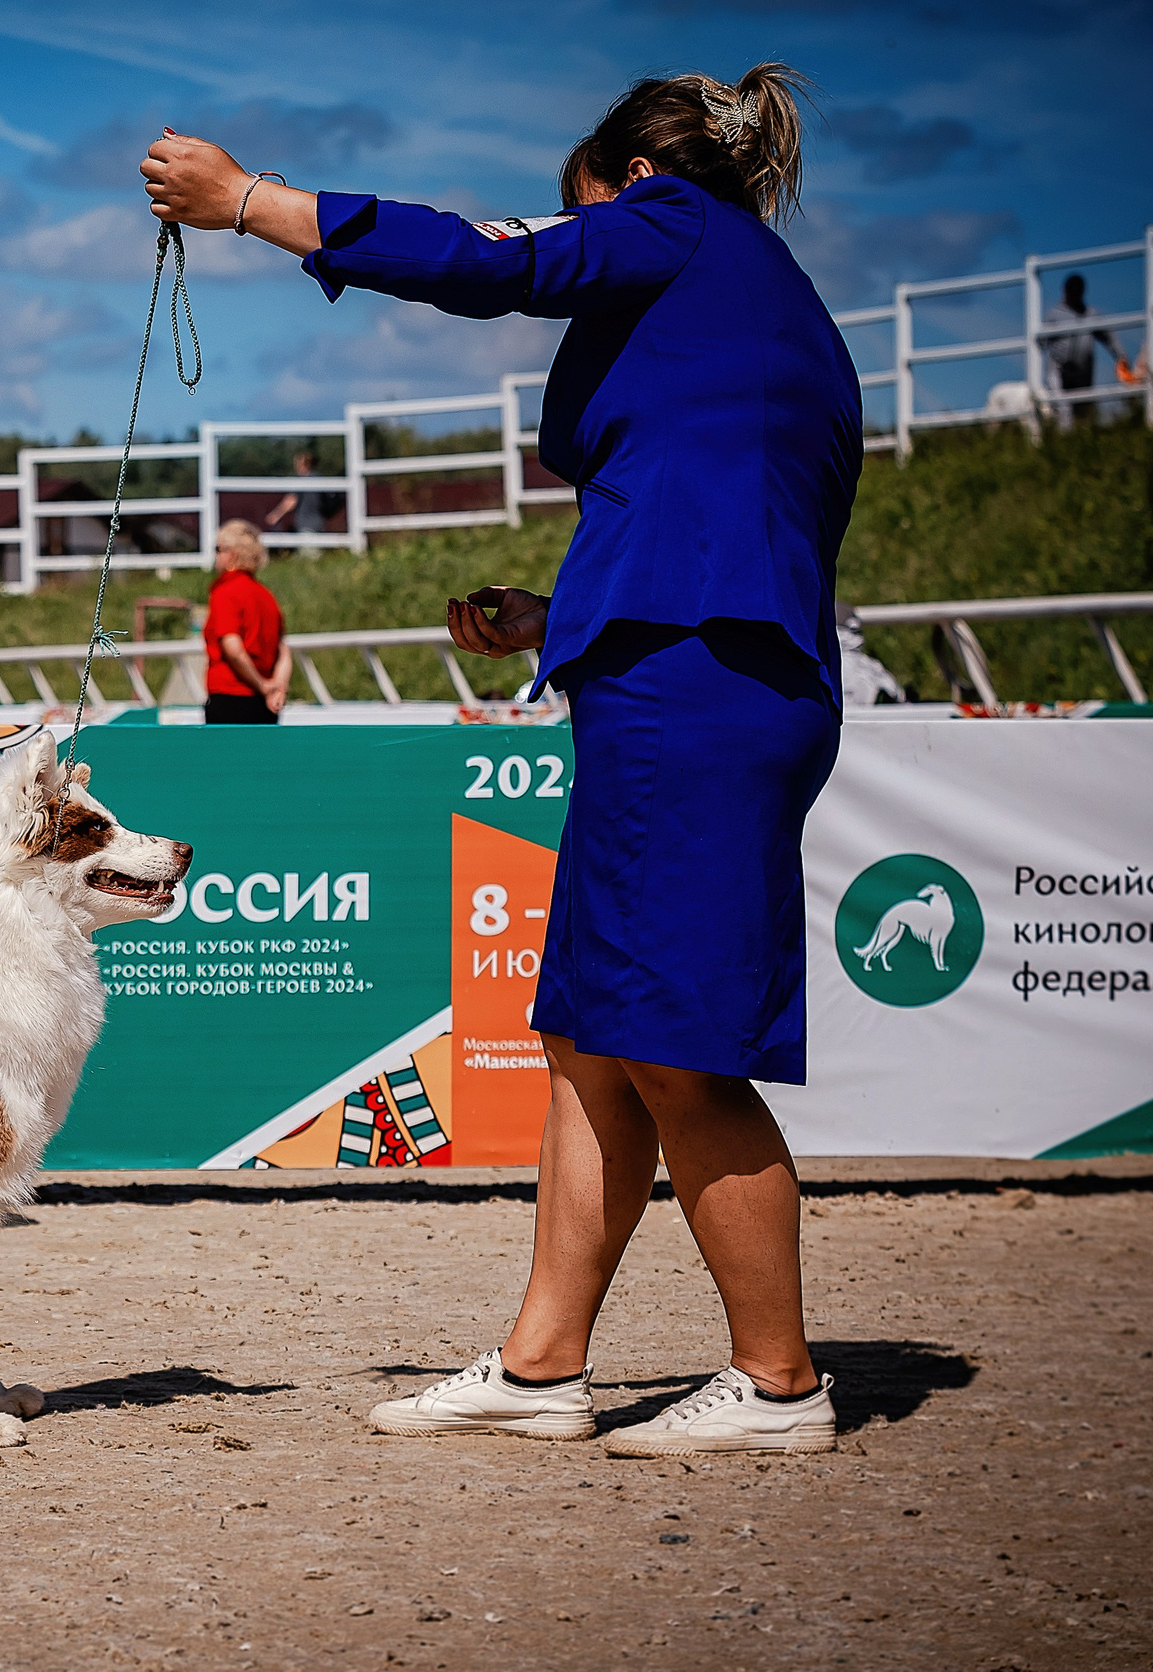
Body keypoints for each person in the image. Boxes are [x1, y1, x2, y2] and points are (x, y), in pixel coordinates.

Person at [148, 63, 859, 1456]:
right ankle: (543, 1369)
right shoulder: (766, 303)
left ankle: (780, 1381)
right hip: (691, 671)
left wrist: (249, 205)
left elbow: (489, 263)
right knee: (593, 1037)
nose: (576, 245)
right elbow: (725, 508)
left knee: (677, 1047)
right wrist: (561, 617)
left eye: (575, 212)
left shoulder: (671, 228)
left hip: (695, 692)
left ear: (628, 186)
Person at [202, 519, 290, 723]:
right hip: (264, 703)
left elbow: (232, 647)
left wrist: (261, 685)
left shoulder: (225, 593)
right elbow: (283, 652)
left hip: (230, 696)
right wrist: (278, 688)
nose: (215, 556)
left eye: (218, 549)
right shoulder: (266, 596)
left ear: (232, 554)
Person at [1042, 272, 1118, 427]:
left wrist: (1121, 356)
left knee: (1083, 409)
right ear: (1065, 291)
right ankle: (1065, 441)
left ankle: (1082, 441)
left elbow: (1108, 338)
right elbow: (1041, 343)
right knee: (1063, 410)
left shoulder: (1091, 314)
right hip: (1059, 368)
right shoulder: (1054, 314)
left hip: (1083, 370)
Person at [267, 447, 333, 537]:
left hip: (306, 524)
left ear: (302, 464)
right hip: (320, 523)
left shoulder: (302, 481)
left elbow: (291, 500)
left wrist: (276, 515)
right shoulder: (319, 478)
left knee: (307, 550)